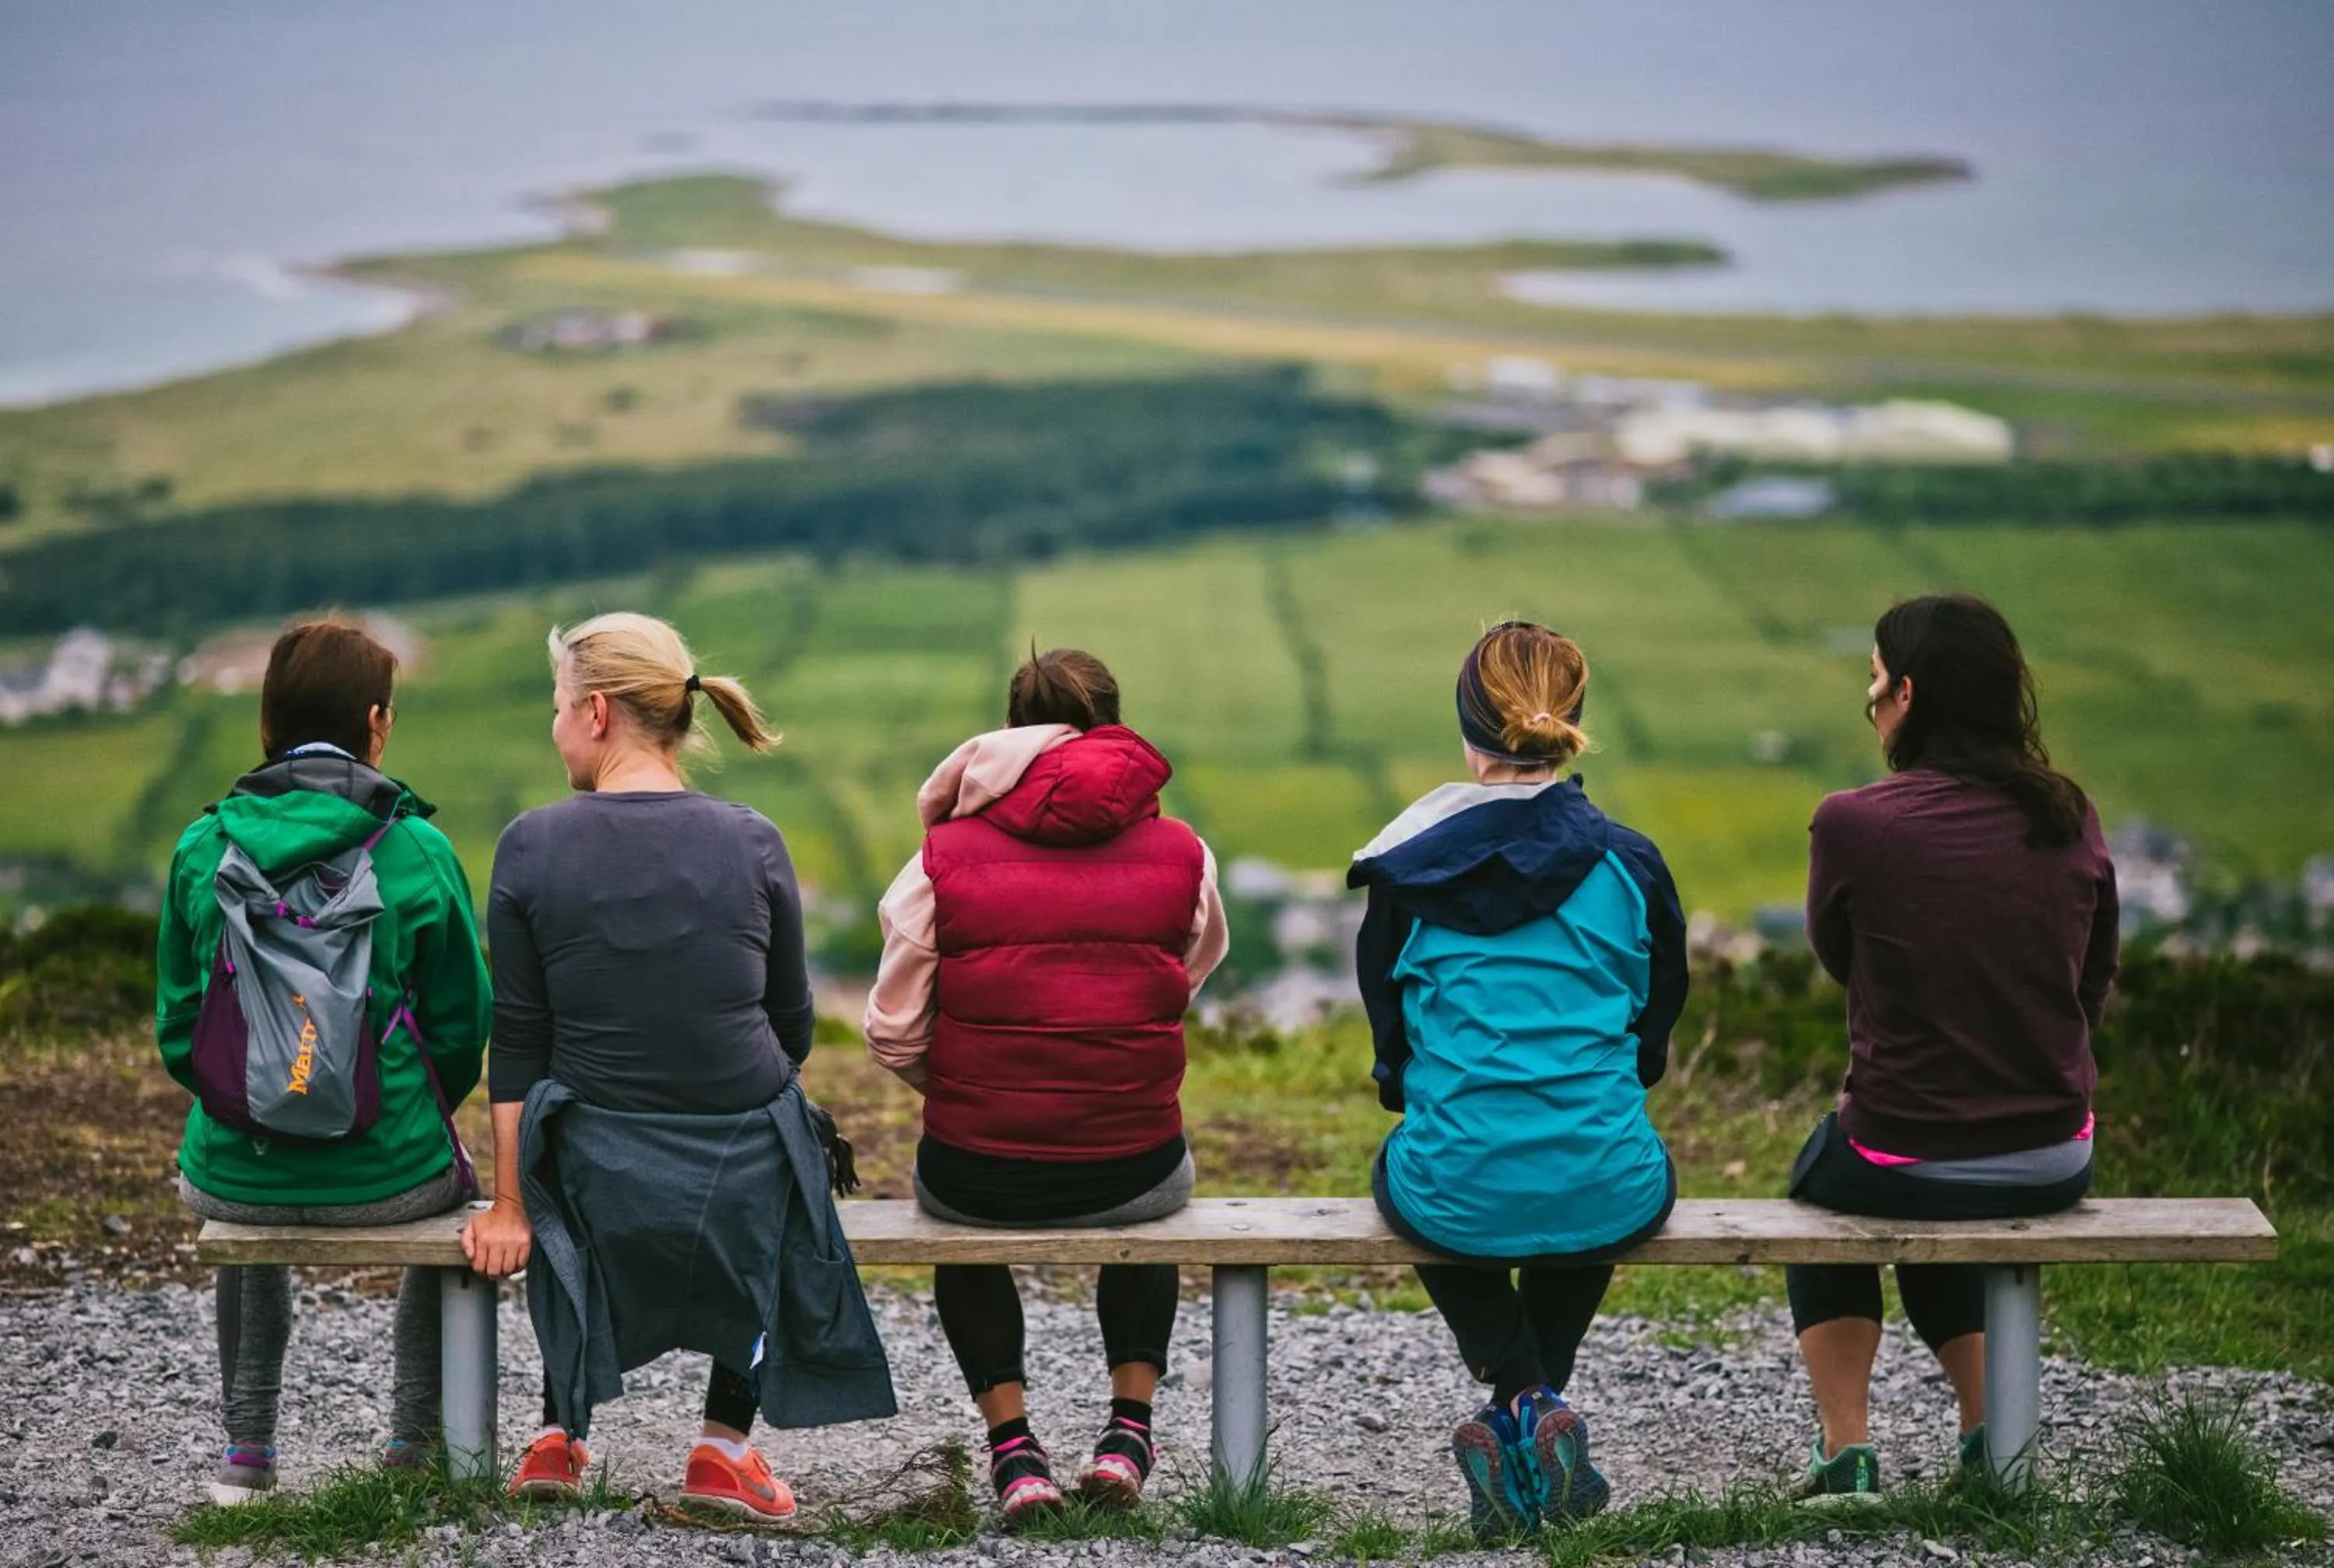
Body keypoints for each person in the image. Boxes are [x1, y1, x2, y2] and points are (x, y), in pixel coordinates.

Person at [460, 612, 893, 1522]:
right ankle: (723, 1449)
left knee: (558, 1138)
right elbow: (793, 1028)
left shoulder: (529, 845)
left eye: (559, 707)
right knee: (789, 1144)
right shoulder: (754, 840)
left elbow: (520, 1046)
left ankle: (557, 1438)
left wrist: (508, 1205)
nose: (556, 726)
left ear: (598, 713)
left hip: (592, 1173)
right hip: (740, 1171)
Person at [863, 648, 1228, 1524]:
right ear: (1115, 726)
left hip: (978, 1172)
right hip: (1135, 1165)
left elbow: (891, 1029)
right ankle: (1129, 1433)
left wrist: (967, 1086)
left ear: (1009, 733)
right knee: (1156, 1208)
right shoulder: (1185, 851)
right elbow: (1186, 971)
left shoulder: (939, 858)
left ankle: (1014, 1450)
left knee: (953, 1214)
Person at [1350, 621, 1684, 1542]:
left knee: (1415, 1176)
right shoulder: (1632, 863)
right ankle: (1536, 1407)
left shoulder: (1409, 871)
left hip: (1457, 1181)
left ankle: (1522, 1399)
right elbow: (1656, 1024)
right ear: (1569, 726)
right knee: (1597, 1168)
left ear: (1470, 734)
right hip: (1603, 1175)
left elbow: (1392, 1050)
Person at [1787, 594, 2118, 1500]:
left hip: (1902, 1144)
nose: (1868, 698)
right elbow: (2091, 980)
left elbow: (1840, 958)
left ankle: (1847, 1454)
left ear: (1907, 693)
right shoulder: (2068, 814)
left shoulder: (1855, 822)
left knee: (1821, 1204)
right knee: (1940, 1207)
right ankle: (1985, 1437)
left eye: (1873, 677)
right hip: (2057, 1153)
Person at [157, 618, 492, 1505]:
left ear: (267, 722)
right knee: (454, 1194)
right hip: (393, 1174)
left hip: (239, 1171)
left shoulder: (202, 847)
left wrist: (254, 1104)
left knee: (242, 1191)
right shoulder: (416, 850)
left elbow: (179, 1027)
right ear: (376, 722)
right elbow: (463, 1025)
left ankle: (247, 1452)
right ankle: (412, 1445)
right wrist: (398, 1114)